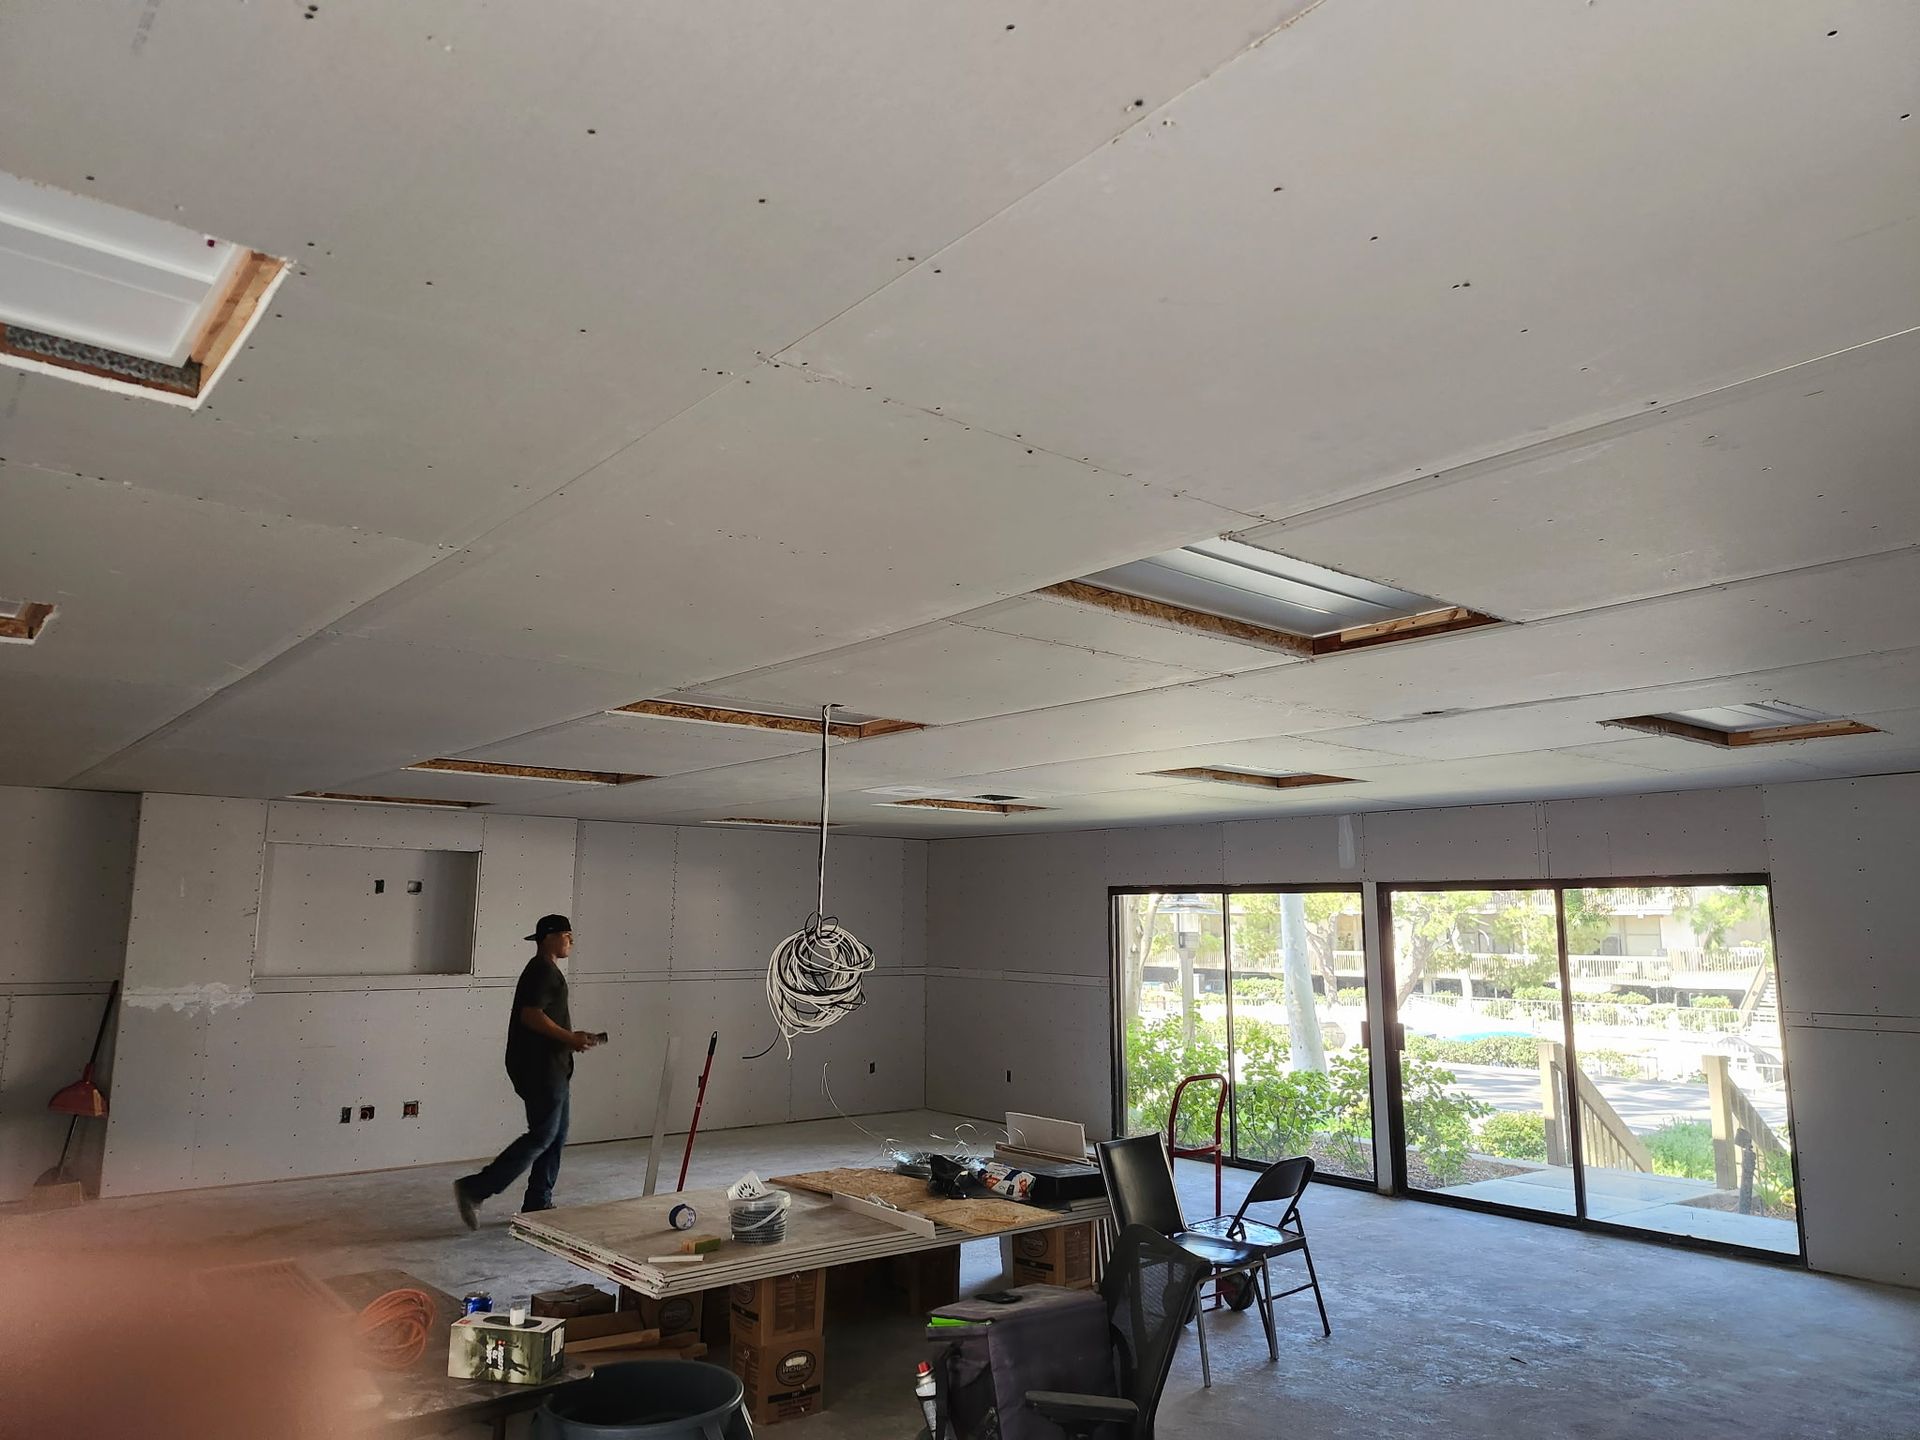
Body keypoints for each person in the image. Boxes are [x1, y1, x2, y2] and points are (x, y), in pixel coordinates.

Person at [454, 915, 598, 1225]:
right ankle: (475, 1188)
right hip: (541, 1068)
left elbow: (542, 1017)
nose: (571, 941)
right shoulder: (542, 971)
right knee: (543, 1134)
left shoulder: (546, 971)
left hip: (552, 1066)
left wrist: (573, 1038)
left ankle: (538, 1202)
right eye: (567, 935)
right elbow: (531, 1016)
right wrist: (570, 1038)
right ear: (548, 937)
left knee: (556, 1135)